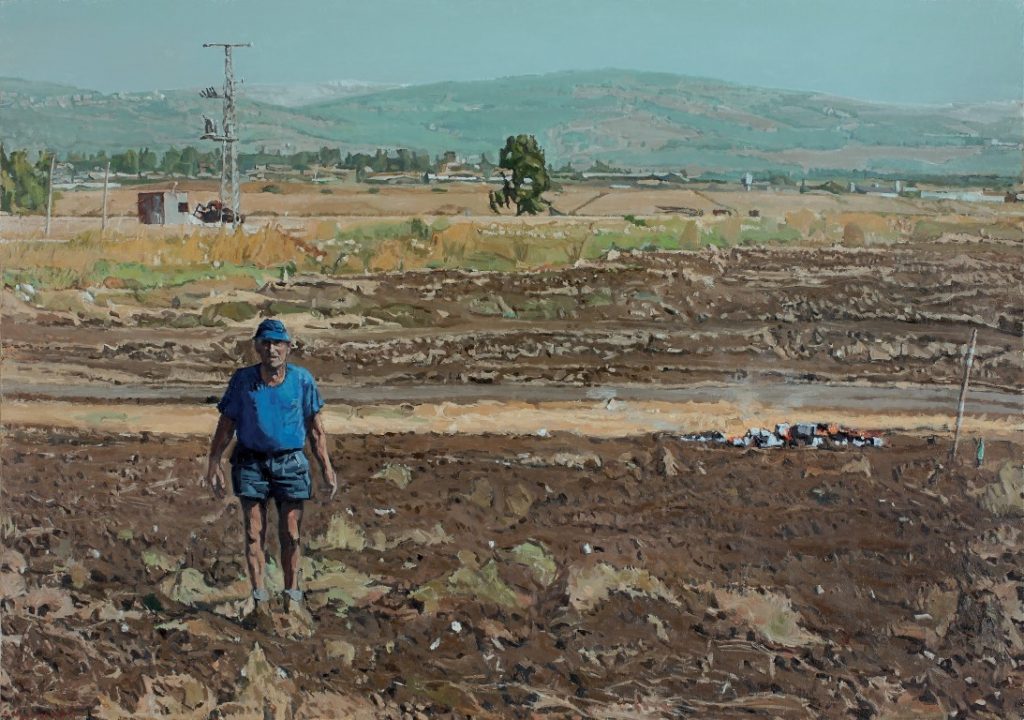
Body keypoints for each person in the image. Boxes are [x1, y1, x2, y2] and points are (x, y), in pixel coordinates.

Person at [205, 318, 337, 625]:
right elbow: (226, 426)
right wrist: (214, 463)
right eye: (265, 342)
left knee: (290, 534)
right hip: (250, 462)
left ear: (289, 348)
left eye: (278, 343)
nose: (272, 349)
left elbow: (316, 432)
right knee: (254, 534)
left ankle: (292, 600)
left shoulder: (302, 381)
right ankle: (260, 601)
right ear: (256, 347)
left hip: (291, 462)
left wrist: (326, 469)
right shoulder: (242, 381)